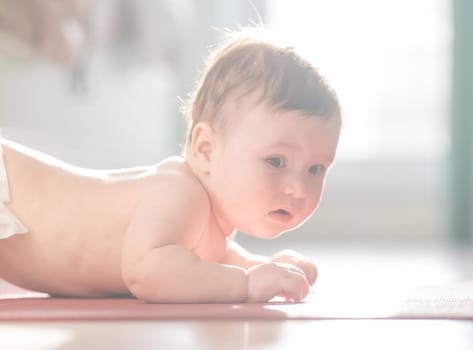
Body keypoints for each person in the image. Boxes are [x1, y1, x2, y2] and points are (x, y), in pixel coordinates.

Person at [0, 31, 341, 303]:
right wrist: (247, 283)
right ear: (206, 150)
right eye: (276, 161)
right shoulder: (180, 193)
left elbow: (212, 258)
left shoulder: (207, 221)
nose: (298, 188)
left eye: (315, 169)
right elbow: (148, 270)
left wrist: (262, 267)